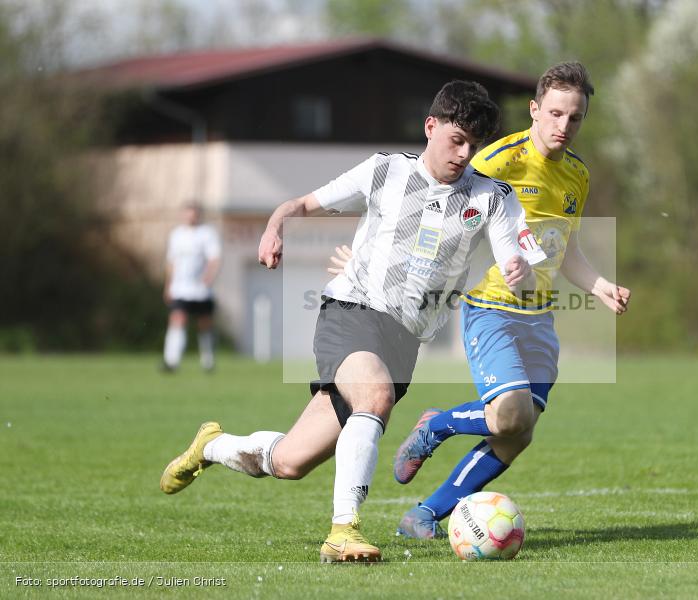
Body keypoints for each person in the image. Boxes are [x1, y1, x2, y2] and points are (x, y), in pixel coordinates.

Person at [158, 81, 544, 564]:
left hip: (405, 339)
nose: (464, 154)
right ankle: (344, 530)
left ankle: (212, 447)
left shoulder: (492, 197)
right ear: (431, 126)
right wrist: (274, 229)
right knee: (375, 395)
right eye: (456, 140)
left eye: (474, 145)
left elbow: (518, 263)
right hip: (351, 311)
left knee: (289, 461)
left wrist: (518, 271)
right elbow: (297, 204)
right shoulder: (383, 170)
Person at [334, 63, 630, 539]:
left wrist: (599, 286)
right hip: (490, 306)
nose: (563, 126)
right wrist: (376, 260)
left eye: (575, 118)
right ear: (534, 110)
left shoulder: (576, 174)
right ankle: (439, 426)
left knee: (518, 433)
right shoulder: (497, 160)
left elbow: (566, 248)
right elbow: (436, 204)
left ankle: (425, 514)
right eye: (554, 113)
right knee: (509, 413)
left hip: (540, 317)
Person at [162, 203, 221, 372]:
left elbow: (214, 258)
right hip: (181, 288)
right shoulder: (176, 235)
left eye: (193, 214)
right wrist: (168, 285)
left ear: (199, 215)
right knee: (177, 319)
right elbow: (171, 262)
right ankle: (171, 361)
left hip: (201, 290)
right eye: (187, 214)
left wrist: (208, 277)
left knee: (204, 324)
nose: (190, 217)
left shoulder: (207, 233)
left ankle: (208, 360)